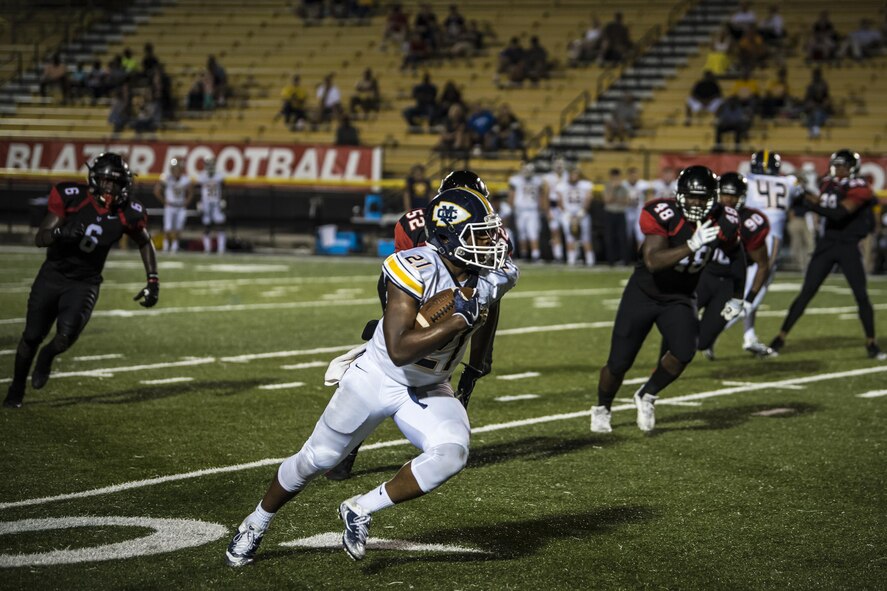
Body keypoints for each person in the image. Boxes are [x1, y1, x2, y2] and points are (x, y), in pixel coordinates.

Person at [225, 187, 517, 566]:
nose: (492, 242)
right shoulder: (414, 267)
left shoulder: (494, 274)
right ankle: (256, 522)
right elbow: (398, 348)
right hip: (379, 375)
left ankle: (360, 508)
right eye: (480, 234)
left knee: (451, 452)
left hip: (429, 385)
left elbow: (492, 303)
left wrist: (475, 363)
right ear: (448, 238)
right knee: (318, 457)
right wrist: (458, 320)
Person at [326, 171, 505, 481]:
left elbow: (489, 297)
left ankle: (436, 440)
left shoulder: (485, 233)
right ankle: (347, 447)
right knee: (385, 369)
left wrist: (477, 358)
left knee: (424, 379)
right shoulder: (415, 225)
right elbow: (398, 279)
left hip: (459, 306)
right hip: (419, 301)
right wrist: (403, 325)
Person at [590, 166, 744, 433]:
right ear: (680, 195)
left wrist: (738, 297)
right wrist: (690, 246)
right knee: (619, 363)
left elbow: (737, 255)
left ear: (713, 197)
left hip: (680, 296)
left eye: (702, 197)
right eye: (691, 196)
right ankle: (602, 407)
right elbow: (652, 261)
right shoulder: (661, 212)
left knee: (685, 351)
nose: (696, 203)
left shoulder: (726, 219)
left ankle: (647, 394)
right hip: (644, 293)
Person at [4, 153, 158, 409]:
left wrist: (153, 279)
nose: (111, 188)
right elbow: (40, 238)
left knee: (65, 337)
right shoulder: (72, 196)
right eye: (107, 181)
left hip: (85, 282)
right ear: (95, 180)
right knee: (31, 336)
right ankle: (16, 388)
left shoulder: (128, 212)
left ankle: (48, 355)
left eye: (117, 182)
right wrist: (60, 232)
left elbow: (144, 241)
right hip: (53, 274)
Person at [770, 150, 886, 360]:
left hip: (848, 246)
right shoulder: (828, 183)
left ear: (853, 168)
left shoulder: (860, 187)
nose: (839, 170)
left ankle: (871, 343)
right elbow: (822, 203)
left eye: (844, 166)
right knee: (806, 293)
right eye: (836, 165)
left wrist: (810, 203)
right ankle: (779, 337)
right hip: (827, 245)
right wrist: (802, 192)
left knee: (861, 295)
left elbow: (839, 213)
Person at [731, 150, 805, 356]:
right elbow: (801, 195)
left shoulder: (748, 180)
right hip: (770, 240)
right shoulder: (790, 182)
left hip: (747, 236)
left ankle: (749, 336)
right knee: (754, 292)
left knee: (748, 288)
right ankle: (705, 334)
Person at [693, 173, 770, 360]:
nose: (728, 200)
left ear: (742, 197)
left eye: (733, 195)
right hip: (704, 275)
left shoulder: (751, 222)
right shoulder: (706, 213)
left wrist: (750, 297)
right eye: (724, 194)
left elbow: (762, 264)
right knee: (676, 319)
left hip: (728, 284)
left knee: (702, 342)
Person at [556, 167, 595, 266]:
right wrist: (568, 214)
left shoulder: (585, 185)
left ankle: (590, 260)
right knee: (569, 237)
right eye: (572, 174)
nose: (574, 177)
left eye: (576, 174)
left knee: (586, 237)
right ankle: (571, 260)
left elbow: (588, 198)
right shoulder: (561, 186)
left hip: (582, 214)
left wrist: (581, 212)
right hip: (567, 214)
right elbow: (559, 202)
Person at [508, 162, 546, 262]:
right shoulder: (516, 180)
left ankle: (535, 255)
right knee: (522, 233)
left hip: (532, 210)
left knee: (532, 233)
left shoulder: (538, 180)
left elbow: (542, 195)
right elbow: (512, 195)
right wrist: (511, 207)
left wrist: (542, 208)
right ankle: (524, 255)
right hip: (520, 210)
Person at [154, 158, 193, 253]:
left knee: (178, 228)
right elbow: (157, 191)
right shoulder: (166, 178)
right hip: (170, 206)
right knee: (168, 227)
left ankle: (175, 246)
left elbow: (191, 192)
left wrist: (186, 202)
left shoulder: (185, 179)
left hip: (180, 206)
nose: (176, 171)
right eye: (174, 169)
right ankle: (166, 246)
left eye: (178, 168)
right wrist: (164, 201)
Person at [197, 157, 226, 254]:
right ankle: (207, 248)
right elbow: (198, 190)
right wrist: (199, 202)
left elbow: (224, 188)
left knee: (220, 225)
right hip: (206, 203)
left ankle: (221, 248)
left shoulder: (219, 176)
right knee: (206, 226)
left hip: (216, 203)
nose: (210, 167)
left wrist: (223, 200)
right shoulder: (202, 176)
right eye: (208, 164)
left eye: (211, 164)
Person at [543, 157, 569, 262]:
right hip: (553, 207)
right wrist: (547, 210)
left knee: (570, 232)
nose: (559, 166)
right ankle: (558, 255)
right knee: (555, 232)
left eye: (561, 164)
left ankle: (573, 256)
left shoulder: (568, 176)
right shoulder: (548, 178)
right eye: (557, 164)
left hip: (567, 208)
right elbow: (545, 194)